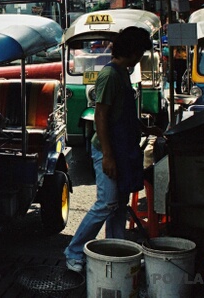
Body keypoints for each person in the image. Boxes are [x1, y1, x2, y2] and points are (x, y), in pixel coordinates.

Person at [64, 26, 155, 274]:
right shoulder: (110, 75)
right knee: (106, 202)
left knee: (119, 203)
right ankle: (73, 251)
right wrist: (107, 155)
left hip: (122, 148)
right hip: (108, 150)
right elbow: (101, 116)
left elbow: (120, 112)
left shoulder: (124, 74)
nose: (140, 58)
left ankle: (117, 251)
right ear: (133, 51)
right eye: (140, 53)